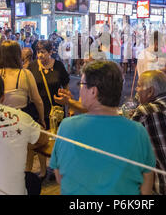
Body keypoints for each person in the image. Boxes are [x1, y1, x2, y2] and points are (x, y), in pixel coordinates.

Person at [50, 61, 156, 195]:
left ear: (93, 91)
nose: (80, 89)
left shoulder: (67, 127)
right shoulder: (137, 131)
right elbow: (147, 178)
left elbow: (59, 176)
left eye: (81, 84)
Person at [0, 41, 45, 173]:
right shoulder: (25, 74)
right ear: (17, 55)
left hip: (0, 120)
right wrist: (42, 119)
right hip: (22, 118)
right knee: (26, 152)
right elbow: (37, 100)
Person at [28, 40, 70, 179]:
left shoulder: (58, 66)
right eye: (38, 52)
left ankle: (57, 168)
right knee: (40, 140)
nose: (40, 55)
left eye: (43, 52)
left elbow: (66, 86)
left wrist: (68, 105)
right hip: (38, 109)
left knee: (57, 140)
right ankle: (43, 170)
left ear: (50, 52)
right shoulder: (32, 67)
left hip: (56, 110)